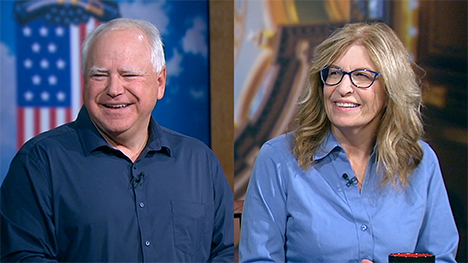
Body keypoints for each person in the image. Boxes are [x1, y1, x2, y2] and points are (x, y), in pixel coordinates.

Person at [1, 18, 234, 262]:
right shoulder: (40, 162)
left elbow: (223, 252)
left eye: (129, 74)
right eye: (99, 75)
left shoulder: (200, 161)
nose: (114, 89)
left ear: (160, 82)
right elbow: (23, 256)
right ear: (84, 81)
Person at [239, 22, 458, 262]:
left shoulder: (420, 162)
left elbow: (440, 258)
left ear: (390, 90)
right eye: (334, 73)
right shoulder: (279, 158)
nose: (343, 88)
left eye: (361, 76)